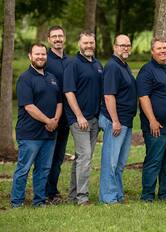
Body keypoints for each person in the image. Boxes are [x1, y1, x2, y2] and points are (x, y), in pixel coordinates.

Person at [11, 43, 62, 208]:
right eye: (37, 54)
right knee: (23, 169)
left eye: (43, 54)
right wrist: (48, 121)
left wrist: (55, 121)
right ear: (30, 56)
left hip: (49, 133)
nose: (40, 57)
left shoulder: (51, 77)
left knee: (43, 170)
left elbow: (59, 102)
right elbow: (29, 107)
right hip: (30, 134)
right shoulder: (25, 78)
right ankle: (17, 202)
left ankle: (39, 201)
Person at [137, 37, 166, 202]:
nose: (163, 51)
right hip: (156, 126)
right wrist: (152, 120)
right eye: (159, 48)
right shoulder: (147, 70)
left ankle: (165, 194)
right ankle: (147, 195)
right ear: (152, 51)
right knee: (154, 160)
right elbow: (143, 97)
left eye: (165, 47)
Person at [63, 31, 102, 205]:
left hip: (93, 119)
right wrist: (79, 116)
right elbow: (69, 92)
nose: (89, 46)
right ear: (79, 44)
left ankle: (73, 195)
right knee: (85, 157)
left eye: (91, 43)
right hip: (79, 120)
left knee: (82, 158)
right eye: (85, 43)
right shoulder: (73, 64)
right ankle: (82, 198)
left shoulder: (98, 65)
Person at [98, 34, 137, 204]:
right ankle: (108, 198)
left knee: (119, 163)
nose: (125, 48)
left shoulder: (124, 65)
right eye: (122, 45)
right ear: (115, 47)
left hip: (125, 121)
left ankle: (118, 195)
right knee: (110, 162)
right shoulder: (113, 66)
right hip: (115, 121)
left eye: (128, 45)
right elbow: (108, 96)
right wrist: (115, 120)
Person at [44, 26, 71, 204]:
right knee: (48, 156)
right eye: (54, 36)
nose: (58, 39)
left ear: (65, 38)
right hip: (50, 116)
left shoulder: (71, 61)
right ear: (49, 39)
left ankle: (52, 191)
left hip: (67, 116)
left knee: (59, 156)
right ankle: (44, 192)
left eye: (60, 36)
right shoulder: (45, 59)